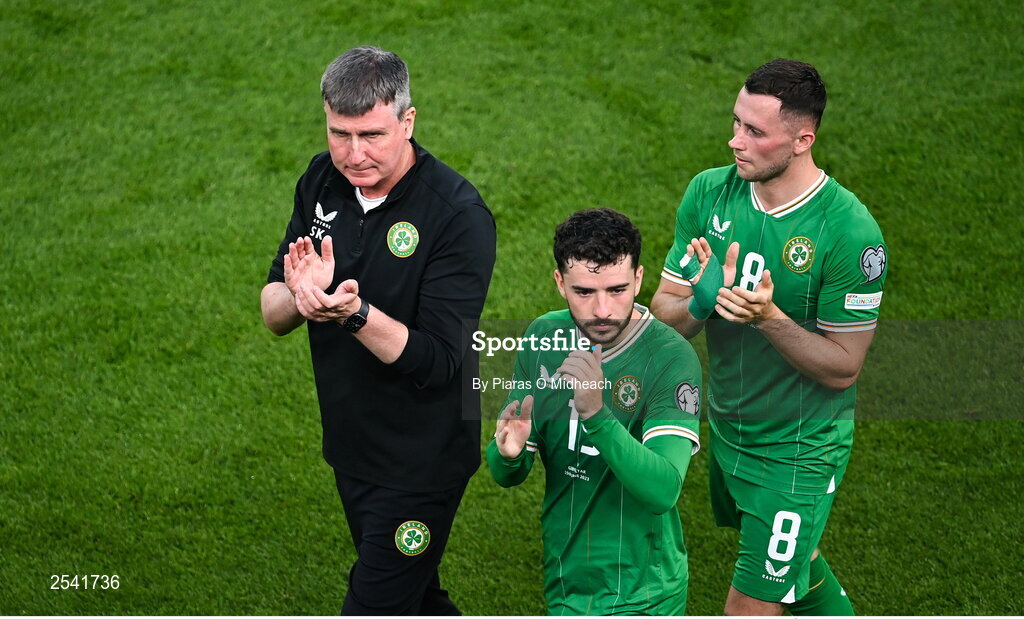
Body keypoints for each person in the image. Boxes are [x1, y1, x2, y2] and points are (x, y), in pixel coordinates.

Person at [260, 46, 496, 615]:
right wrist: (302, 295)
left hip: (422, 461)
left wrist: (354, 315)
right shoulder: (322, 179)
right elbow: (272, 310)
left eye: (372, 135)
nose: (354, 154)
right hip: (351, 446)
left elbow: (440, 360)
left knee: (374, 605)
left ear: (408, 122)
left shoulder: (457, 215)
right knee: (416, 601)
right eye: (340, 133)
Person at [651, 58, 887, 615]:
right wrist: (702, 302)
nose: (736, 141)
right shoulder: (710, 195)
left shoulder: (850, 233)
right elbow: (664, 315)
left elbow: (843, 366)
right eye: (736, 123)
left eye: (755, 132)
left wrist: (768, 318)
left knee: (749, 605)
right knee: (797, 571)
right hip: (731, 427)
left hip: (800, 448)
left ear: (803, 139)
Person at [487, 208, 702, 615]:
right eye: (584, 292)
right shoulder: (543, 337)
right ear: (559, 283)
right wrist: (508, 454)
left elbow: (664, 490)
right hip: (566, 587)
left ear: (639, 279)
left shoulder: (672, 358)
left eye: (618, 290)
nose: (603, 309)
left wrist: (596, 414)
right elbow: (504, 472)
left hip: (645, 594)